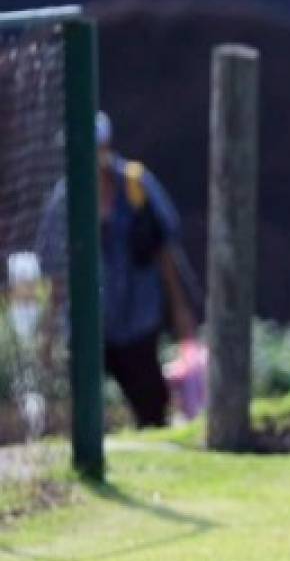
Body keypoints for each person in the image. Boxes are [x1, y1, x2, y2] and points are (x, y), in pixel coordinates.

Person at [37, 111, 197, 427]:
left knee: (150, 404)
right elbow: (56, 273)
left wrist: (180, 310)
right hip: (86, 324)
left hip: (137, 316)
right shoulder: (63, 200)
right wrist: (48, 330)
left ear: (106, 145)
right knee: (83, 407)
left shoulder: (137, 186)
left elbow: (165, 252)